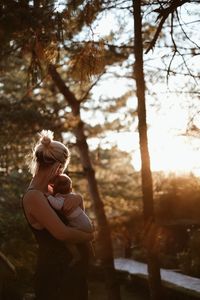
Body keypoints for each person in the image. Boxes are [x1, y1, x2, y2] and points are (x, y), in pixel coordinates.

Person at [22, 130, 94, 300]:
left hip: (72, 273)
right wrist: (90, 235)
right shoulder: (34, 196)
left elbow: (75, 217)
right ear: (58, 167)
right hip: (56, 277)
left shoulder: (51, 190)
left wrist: (78, 199)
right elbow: (62, 233)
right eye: (63, 168)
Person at [47, 173, 93, 266]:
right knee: (87, 239)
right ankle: (91, 253)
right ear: (70, 188)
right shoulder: (71, 195)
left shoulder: (60, 197)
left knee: (68, 240)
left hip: (78, 224)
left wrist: (48, 196)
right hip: (86, 222)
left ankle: (76, 255)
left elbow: (57, 205)